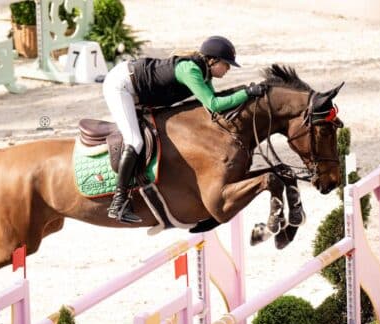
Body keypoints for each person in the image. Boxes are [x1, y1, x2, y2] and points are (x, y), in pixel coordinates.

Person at [101, 35, 267, 223]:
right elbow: (214, 104)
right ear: (212, 60)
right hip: (121, 86)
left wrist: (244, 94)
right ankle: (119, 201)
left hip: (137, 89)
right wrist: (246, 93)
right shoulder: (190, 70)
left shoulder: (204, 73)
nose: (228, 69)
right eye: (226, 64)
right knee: (135, 141)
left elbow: (211, 104)